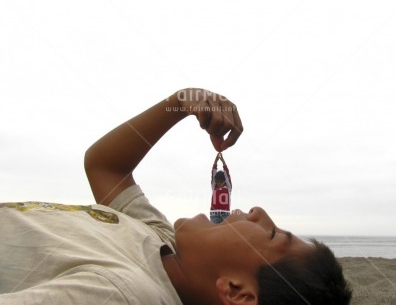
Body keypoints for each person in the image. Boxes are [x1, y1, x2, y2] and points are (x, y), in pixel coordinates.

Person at [0, 88, 352, 304]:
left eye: (274, 234)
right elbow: (106, 167)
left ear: (236, 291)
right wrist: (181, 102)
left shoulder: (124, 294)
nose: (259, 211)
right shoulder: (162, 241)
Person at [210, 152, 232, 223]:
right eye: (217, 181)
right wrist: (215, 161)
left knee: (226, 232)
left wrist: (223, 161)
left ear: (224, 181)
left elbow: (227, 174)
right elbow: (213, 173)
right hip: (214, 215)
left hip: (225, 214)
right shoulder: (214, 187)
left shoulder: (228, 188)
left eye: (221, 181)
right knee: (214, 232)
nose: (219, 183)